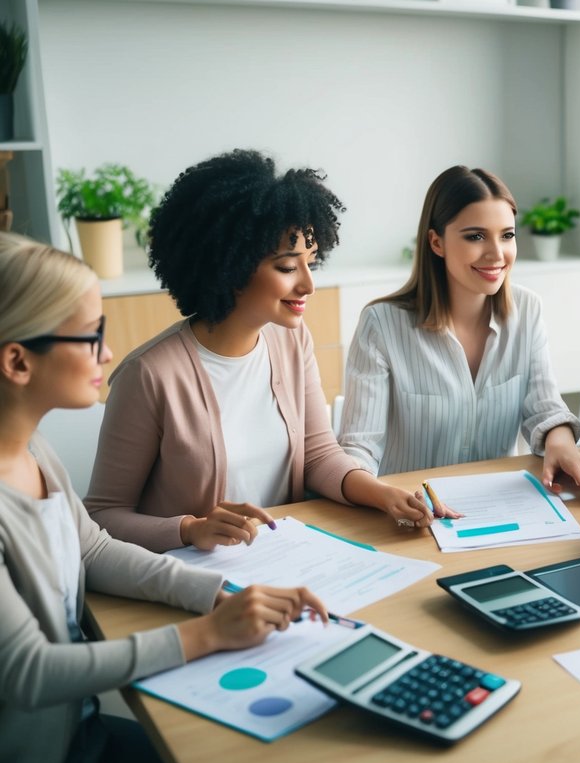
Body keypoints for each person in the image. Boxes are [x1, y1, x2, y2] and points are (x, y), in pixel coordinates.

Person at [0, 234, 329, 763]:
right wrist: (205, 635)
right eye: (90, 337)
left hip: (80, 737)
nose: (107, 354)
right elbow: (30, 671)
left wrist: (214, 593)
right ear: (17, 361)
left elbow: (95, 549)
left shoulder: (33, 454)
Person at [85, 150, 438, 551]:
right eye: (288, 268)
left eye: (312, 263)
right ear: (229, 267)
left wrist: (381, 493)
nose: (308, 284)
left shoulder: (291, 339)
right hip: (197, 578)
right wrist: (190, 530)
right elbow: (101, 515)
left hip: (283, 558)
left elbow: (318, 454)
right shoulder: (149, 375)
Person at [338, 165, 580, 507]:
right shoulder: (382, 325)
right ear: (437, 242)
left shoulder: (528, 310)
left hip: (499, 509)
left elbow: (545, 409)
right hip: (413, 514)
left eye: (507, 235)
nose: (497, 254)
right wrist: (381, 496)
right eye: (476, 236)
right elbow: (358, 448)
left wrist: (561, 441)